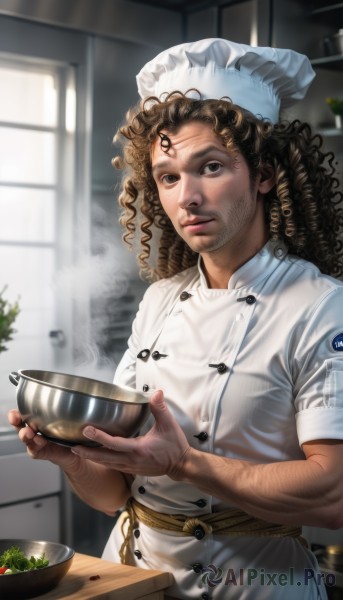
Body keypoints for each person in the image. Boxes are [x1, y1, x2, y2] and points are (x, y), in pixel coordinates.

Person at [8, 38, 343, 600]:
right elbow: (117, 495)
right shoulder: (161, 299)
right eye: (167, 176)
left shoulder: (319, 304)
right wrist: (74, 456)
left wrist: (186, 463)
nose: (187, 197)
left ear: (263, 174)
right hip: (134, 577)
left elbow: (333, 496)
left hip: (251, 582)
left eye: (210, 167)